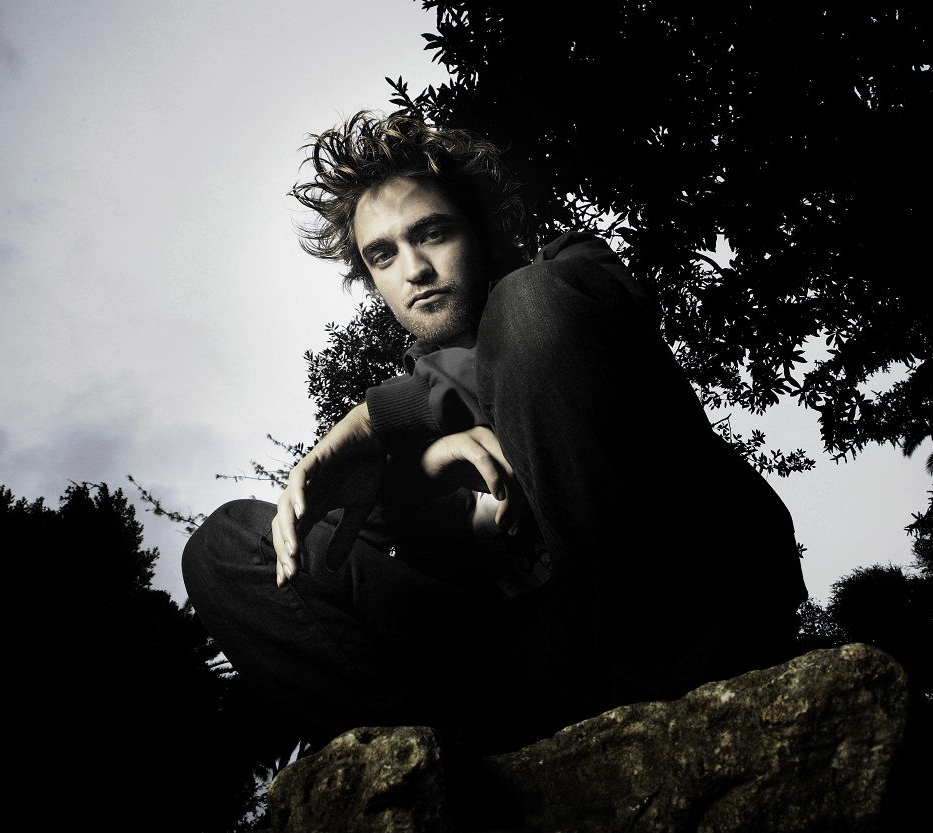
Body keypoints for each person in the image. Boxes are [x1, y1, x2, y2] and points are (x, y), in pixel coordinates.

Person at [182, 111, 807, 755]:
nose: (414, 269)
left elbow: (544, 338)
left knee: (529, 306)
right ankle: (428, 764)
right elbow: (365, 545)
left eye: (433, 233)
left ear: (478, 231)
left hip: (687, 604)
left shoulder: (569, 269)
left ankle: (669, 696)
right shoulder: (408, 441)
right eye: (383, 255)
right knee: (229, 543)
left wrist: (378, 416)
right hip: (534, 663)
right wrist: (422, 468)